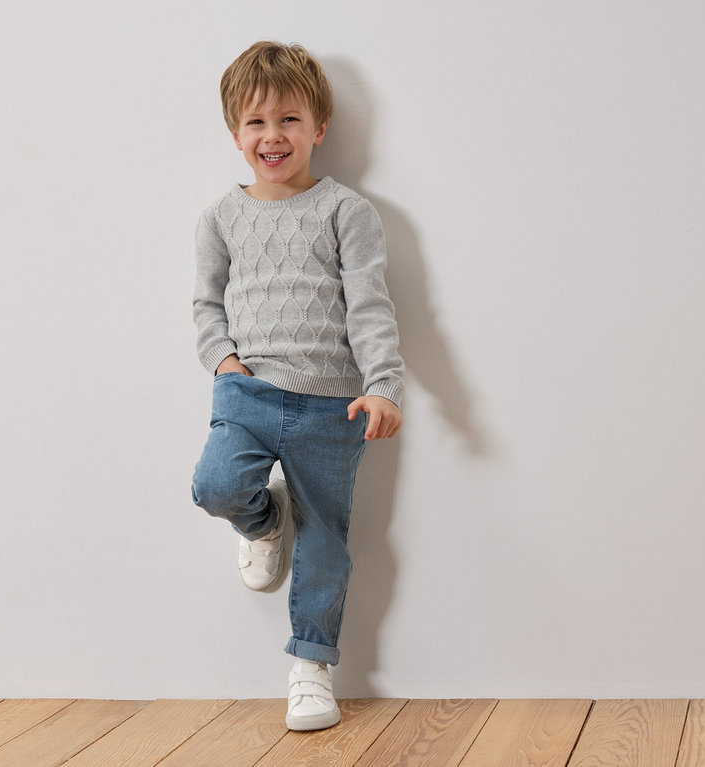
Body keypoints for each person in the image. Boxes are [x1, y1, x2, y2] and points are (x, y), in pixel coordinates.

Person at [190, 40, 404, 732]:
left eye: (289, 120)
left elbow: (370, 305)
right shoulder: (220, 217)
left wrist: (383, 384)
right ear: (234, 135)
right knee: (215, 485)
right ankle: (260, 518)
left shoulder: (348, 212)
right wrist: (224, 361)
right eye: (256, 123)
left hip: (331, 404)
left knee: (326, 542)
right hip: (246, 395)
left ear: (319, 128)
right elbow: (206, 304)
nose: (273, 136)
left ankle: (311, 668)